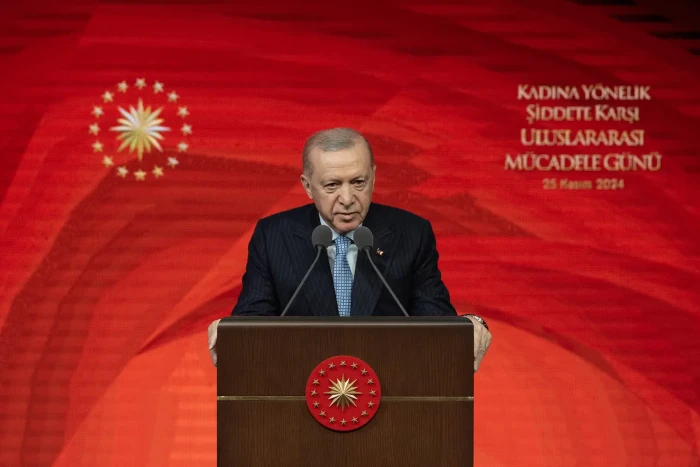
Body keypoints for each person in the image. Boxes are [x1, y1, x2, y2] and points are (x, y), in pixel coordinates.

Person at [208, 128, 492, 370]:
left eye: (358, 182)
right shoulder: (274, 236)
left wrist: (471, 324)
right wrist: (233, 332)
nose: (347, 198)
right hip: (299, 392)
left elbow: (437, 322)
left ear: (373, 177)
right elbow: (253, 320)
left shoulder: (411, 233)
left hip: (391, 392)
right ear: (308, 186)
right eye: (332, 185)